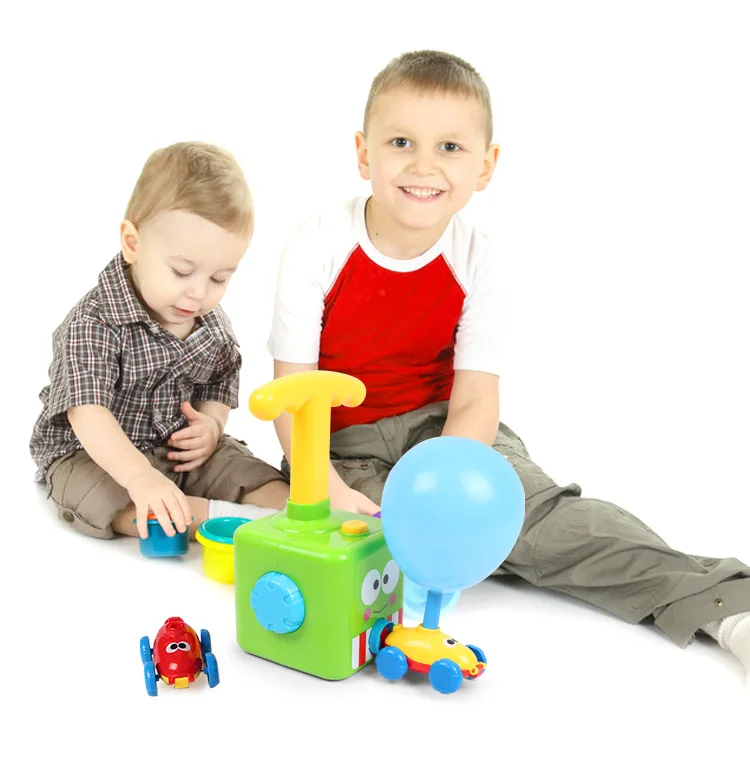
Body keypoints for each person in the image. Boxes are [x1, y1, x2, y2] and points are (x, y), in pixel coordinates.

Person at [265, 50, 750, 682]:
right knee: (379, 550)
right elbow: (293, 397)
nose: (423, 166)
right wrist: (327, 489)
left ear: (486, 166)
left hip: (447, 430)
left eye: (450, 147)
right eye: (401, 142)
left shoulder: (481, 256)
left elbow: (474, 399)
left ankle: (724, 607)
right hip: (337, 449)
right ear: (364, 153)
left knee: (539, 523)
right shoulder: (316, 243)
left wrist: (452, 492)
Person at [30, 141, 289, 542]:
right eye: (182, 271)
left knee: (247, 469)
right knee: (104, 497)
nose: (198, 293)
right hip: (93, 453)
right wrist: (139, 476)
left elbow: (219, 380)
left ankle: (294, 514)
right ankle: (226, 520)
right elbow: (88, 414)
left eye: (219, 278)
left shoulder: (210, 325)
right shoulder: (94, 322)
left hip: (175, 448)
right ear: (133, 244)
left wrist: (211, 424)